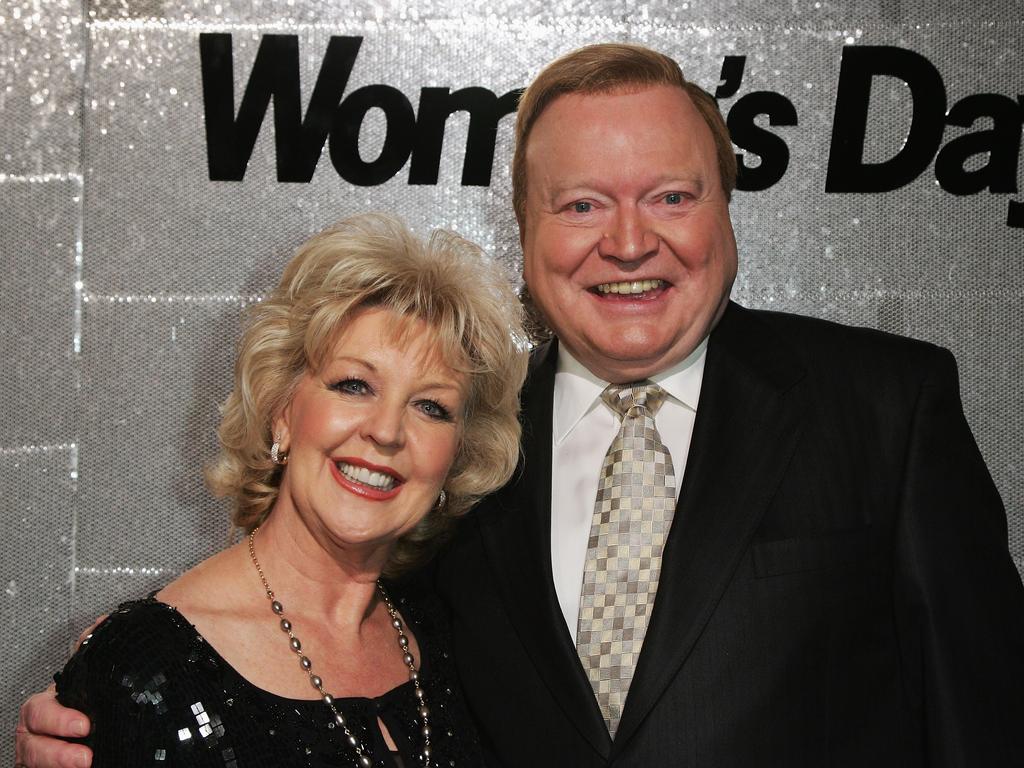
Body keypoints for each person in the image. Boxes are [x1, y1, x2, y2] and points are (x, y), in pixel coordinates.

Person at [17, 43, 1024, 768]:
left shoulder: (888, 406)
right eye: (582, 203)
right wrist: (127, 698)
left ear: (725, 202)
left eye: (670, 195)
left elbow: (990, 723)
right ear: (526, 228)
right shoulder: (466, 458)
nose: (628, 242)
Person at [20, 213, 527, 767]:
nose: (386, 431)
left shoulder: (450, 635)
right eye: (353, 385)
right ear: (281, 410)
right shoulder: (146, 665)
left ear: (456, 457)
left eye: (431, 407)